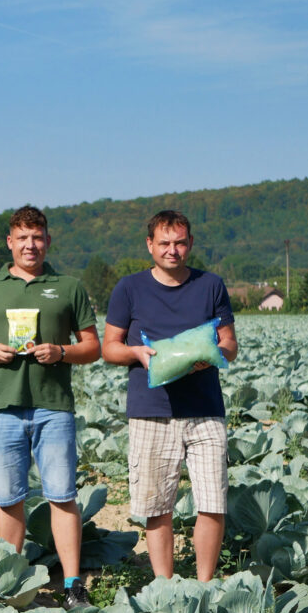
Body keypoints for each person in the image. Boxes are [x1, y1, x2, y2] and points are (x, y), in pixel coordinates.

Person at [0, 205, 100, 608]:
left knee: (62, 495)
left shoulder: (68, 286)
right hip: (3, 407)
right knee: (8, 499)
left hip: (54, 407)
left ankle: (73, 584)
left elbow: (93, 346)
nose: (30, 245)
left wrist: (61, 351)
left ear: (47, 241)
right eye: (22, 238)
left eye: (37, 237)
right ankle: (11, 583)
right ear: (10, 242)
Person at [101, 209, 238, 582]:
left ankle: (205, 583)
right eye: (164, 243)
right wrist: (136, 354)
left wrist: (212, 356)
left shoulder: (211, 285)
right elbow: (109, 347)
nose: (173, 250)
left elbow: (228, 342)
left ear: (190, 244)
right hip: (150, 411)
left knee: (212, 502)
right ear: (150, 245)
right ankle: (164, 584)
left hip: (205, 410)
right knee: (157, 506)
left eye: (180, 243)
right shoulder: (129, 289)